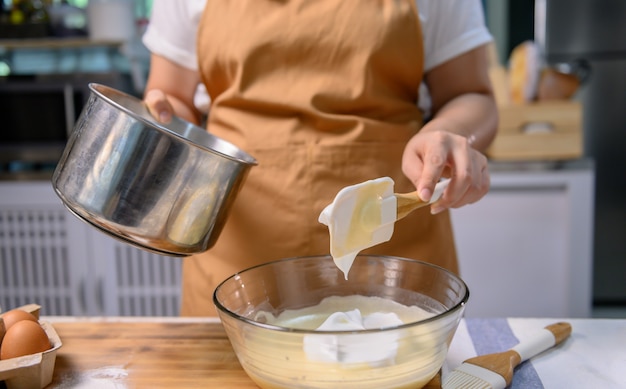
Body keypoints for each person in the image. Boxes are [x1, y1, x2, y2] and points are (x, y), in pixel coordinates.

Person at [141, 0, 498, 316]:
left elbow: (471, 95)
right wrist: (163, 118)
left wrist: (451, 131)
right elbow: (174, 97)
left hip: (393, 259)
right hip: (237, 253)